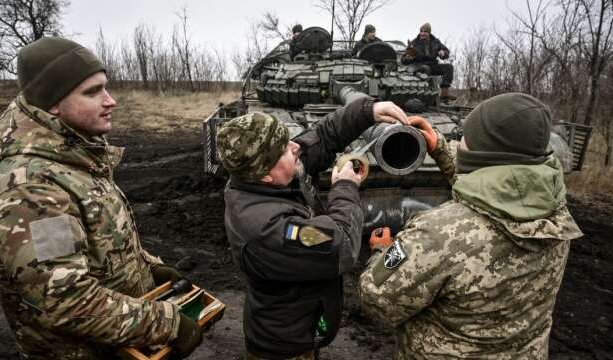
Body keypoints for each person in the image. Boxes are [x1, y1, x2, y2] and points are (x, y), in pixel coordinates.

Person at [0, 37, 202, 359]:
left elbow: (104, 244)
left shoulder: (75, 161)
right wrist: (166, 324)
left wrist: (148, 269)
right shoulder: (31, 188)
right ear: (53, 102)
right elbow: (65, 300)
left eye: (106, 87)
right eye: (92, 92)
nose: (110, 101)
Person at [359, 92, 583, 359]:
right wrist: (440, 148)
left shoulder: (437, 234)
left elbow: (377, 299)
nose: (460, 141)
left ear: (483, 152)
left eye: (466, 136)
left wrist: (382, 252)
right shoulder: (555, 211)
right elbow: (503, 188)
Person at [217, 94, 409, 359]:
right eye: (284, 149)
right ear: (264, 174)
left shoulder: (265, 176)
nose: (294, 148)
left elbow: (323, 135)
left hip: (300, 326)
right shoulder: (268, 229)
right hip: (284, 348)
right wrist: (345, 188)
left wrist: (368, 111)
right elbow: (340, 246)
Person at [402, 23, 455, 100]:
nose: (423, 33)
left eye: (425, 32)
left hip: (432, 65)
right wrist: (408, 58)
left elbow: (446, 52)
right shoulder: (414, 43)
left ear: (429, 33)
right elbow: (403, 60)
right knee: (425, 68)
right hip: (418, 66)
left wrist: (443, 53)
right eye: (421, 31)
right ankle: (425, 95)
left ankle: (444, 93)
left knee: (449, 67)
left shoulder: (435, 42)